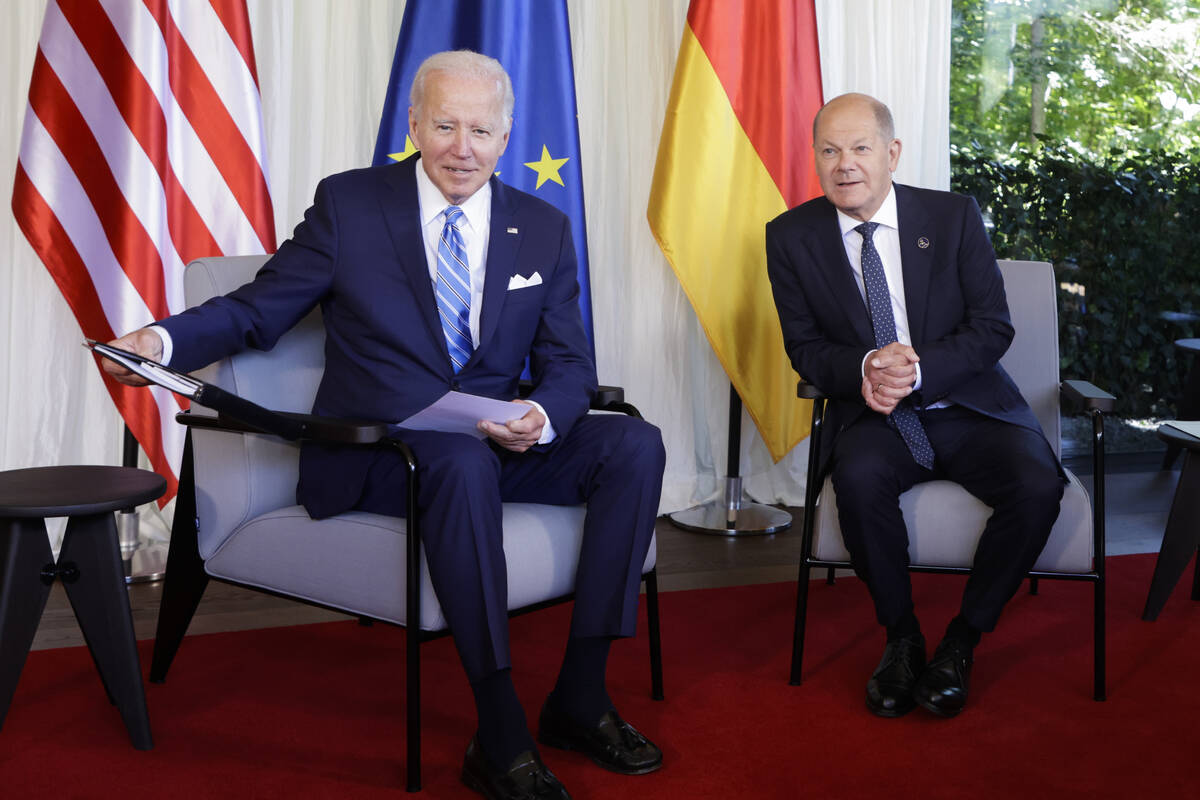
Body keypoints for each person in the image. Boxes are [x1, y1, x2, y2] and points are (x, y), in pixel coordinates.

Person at [105, 50, 665, 800]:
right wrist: (158, 343)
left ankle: (581, 695)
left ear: (506, 136)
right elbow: (257, 309)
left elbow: (567, 362)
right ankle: (498, 730)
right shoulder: (352, 206)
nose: (461, 147)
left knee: (633, 441)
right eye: (444, 125)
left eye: (480, 130)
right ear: (414, 124)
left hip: (491, 446)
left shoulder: (543, 227)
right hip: (376, 453)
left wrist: (537, 414)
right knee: (460, 465)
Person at [765, 93, 1064, 719]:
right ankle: (901, 638)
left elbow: (992, 328)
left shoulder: (952, 217)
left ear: (892, 153)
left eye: (861, 148)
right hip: (873, 413)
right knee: (859, 479)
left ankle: (962, 641)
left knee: (1037, 483)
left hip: (966, 404)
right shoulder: (790, 236)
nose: (845, 164)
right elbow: (805, 347)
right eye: (829, 150)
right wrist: (865, 368)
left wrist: (918, 368)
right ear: (815, 158)